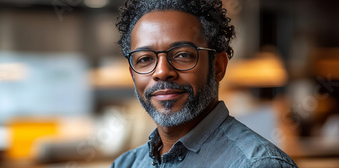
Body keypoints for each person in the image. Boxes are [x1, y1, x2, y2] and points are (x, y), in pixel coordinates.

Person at [111, 0, 297, 167]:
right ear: (132, 73)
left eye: (183, 55)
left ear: (218, 66)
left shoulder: (258, 164)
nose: (162, 72)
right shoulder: (126, 164)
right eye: (145, 59)